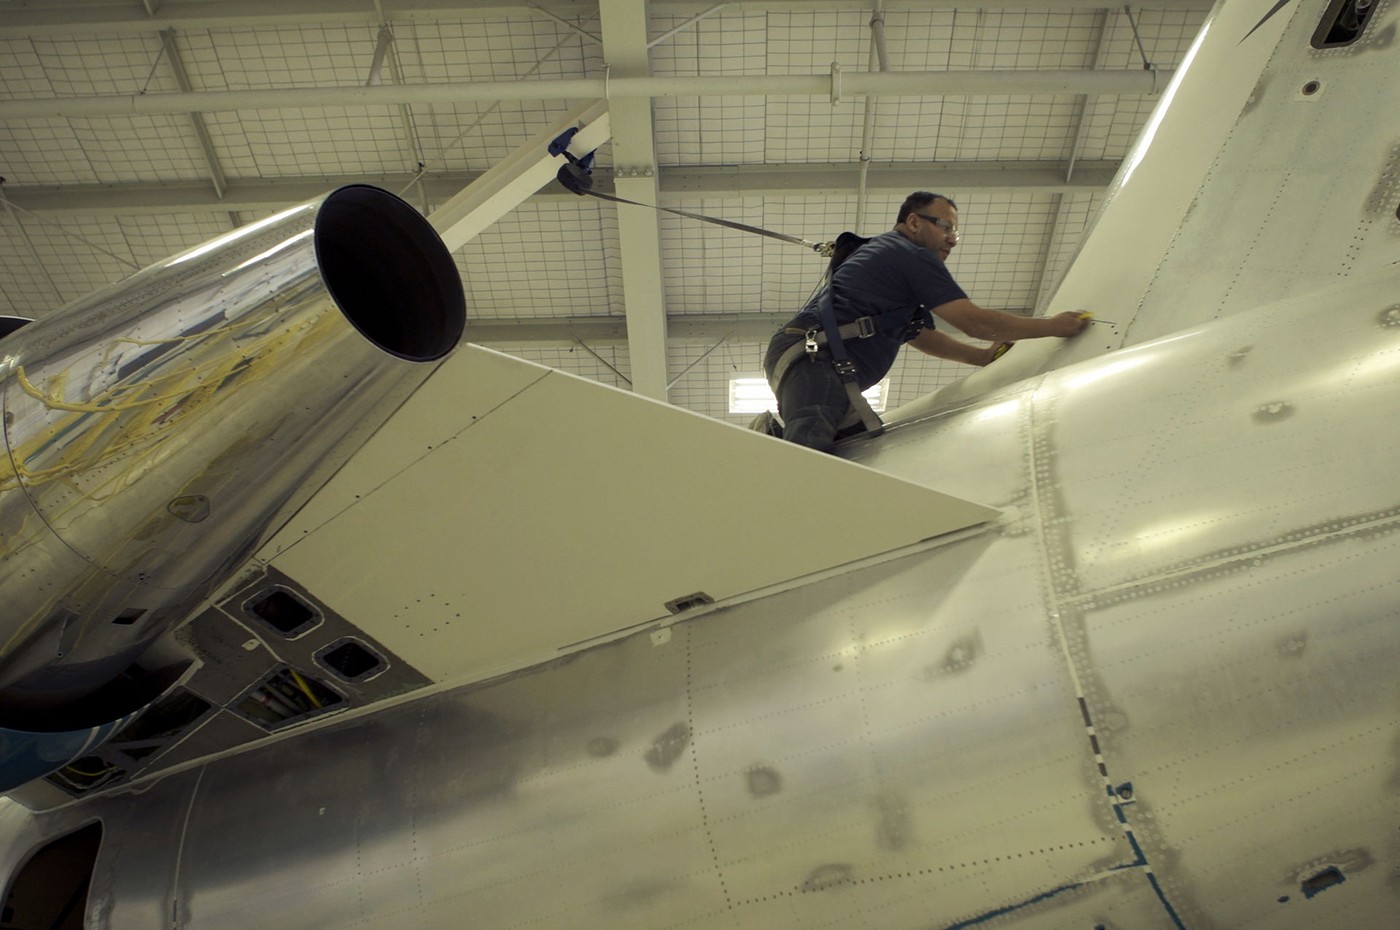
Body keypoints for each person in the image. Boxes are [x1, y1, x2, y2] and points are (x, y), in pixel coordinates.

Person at [762, 191, 1089, 452]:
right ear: (914, 222)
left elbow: (919, 335)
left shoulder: (892, 273)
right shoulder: (907, 254)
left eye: (955, 232)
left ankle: (774, 448)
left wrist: (980, 357)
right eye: (945, 227)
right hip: (815, 360)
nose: (952, 239)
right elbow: (975, 323)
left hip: (818, 364)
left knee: (858, 455)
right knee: (807, 454)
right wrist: (1054, 327)